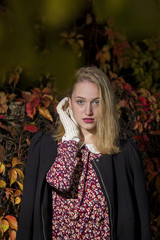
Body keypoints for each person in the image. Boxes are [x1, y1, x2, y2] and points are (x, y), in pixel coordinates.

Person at [17, 66, 152, 240]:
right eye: (80, 101)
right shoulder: (45, 148)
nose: (88, 111)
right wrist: (71, 138)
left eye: (96, 102)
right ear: (68, 103)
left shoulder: (126, 154)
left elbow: (142, 226)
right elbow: (59, 185)